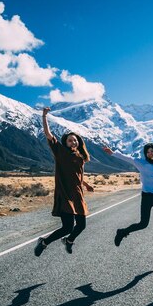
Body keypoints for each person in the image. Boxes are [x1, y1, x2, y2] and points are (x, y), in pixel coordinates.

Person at [34, 107, 94, 256]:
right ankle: (44, 242)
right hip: (65, 193)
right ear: (65, 142)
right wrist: (44, 116)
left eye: (75, 140)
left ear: (78, 142)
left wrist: (85, 184)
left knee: (81, 225)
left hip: (77, 194)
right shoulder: (60, 152)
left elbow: (79, 174)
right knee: (67, 227)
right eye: (70, 140)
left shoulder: (81, 157)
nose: (73, 142)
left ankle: (69, 241)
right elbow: (48, 134)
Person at [103, 125, 153, 246]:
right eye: (148, 152)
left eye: (152, 151)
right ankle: (122, 232)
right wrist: (113, 153)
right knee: (143, 224)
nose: (150, 154)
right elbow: (128, 158)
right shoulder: (141, 163)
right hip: (147, 197)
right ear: (145, 154)